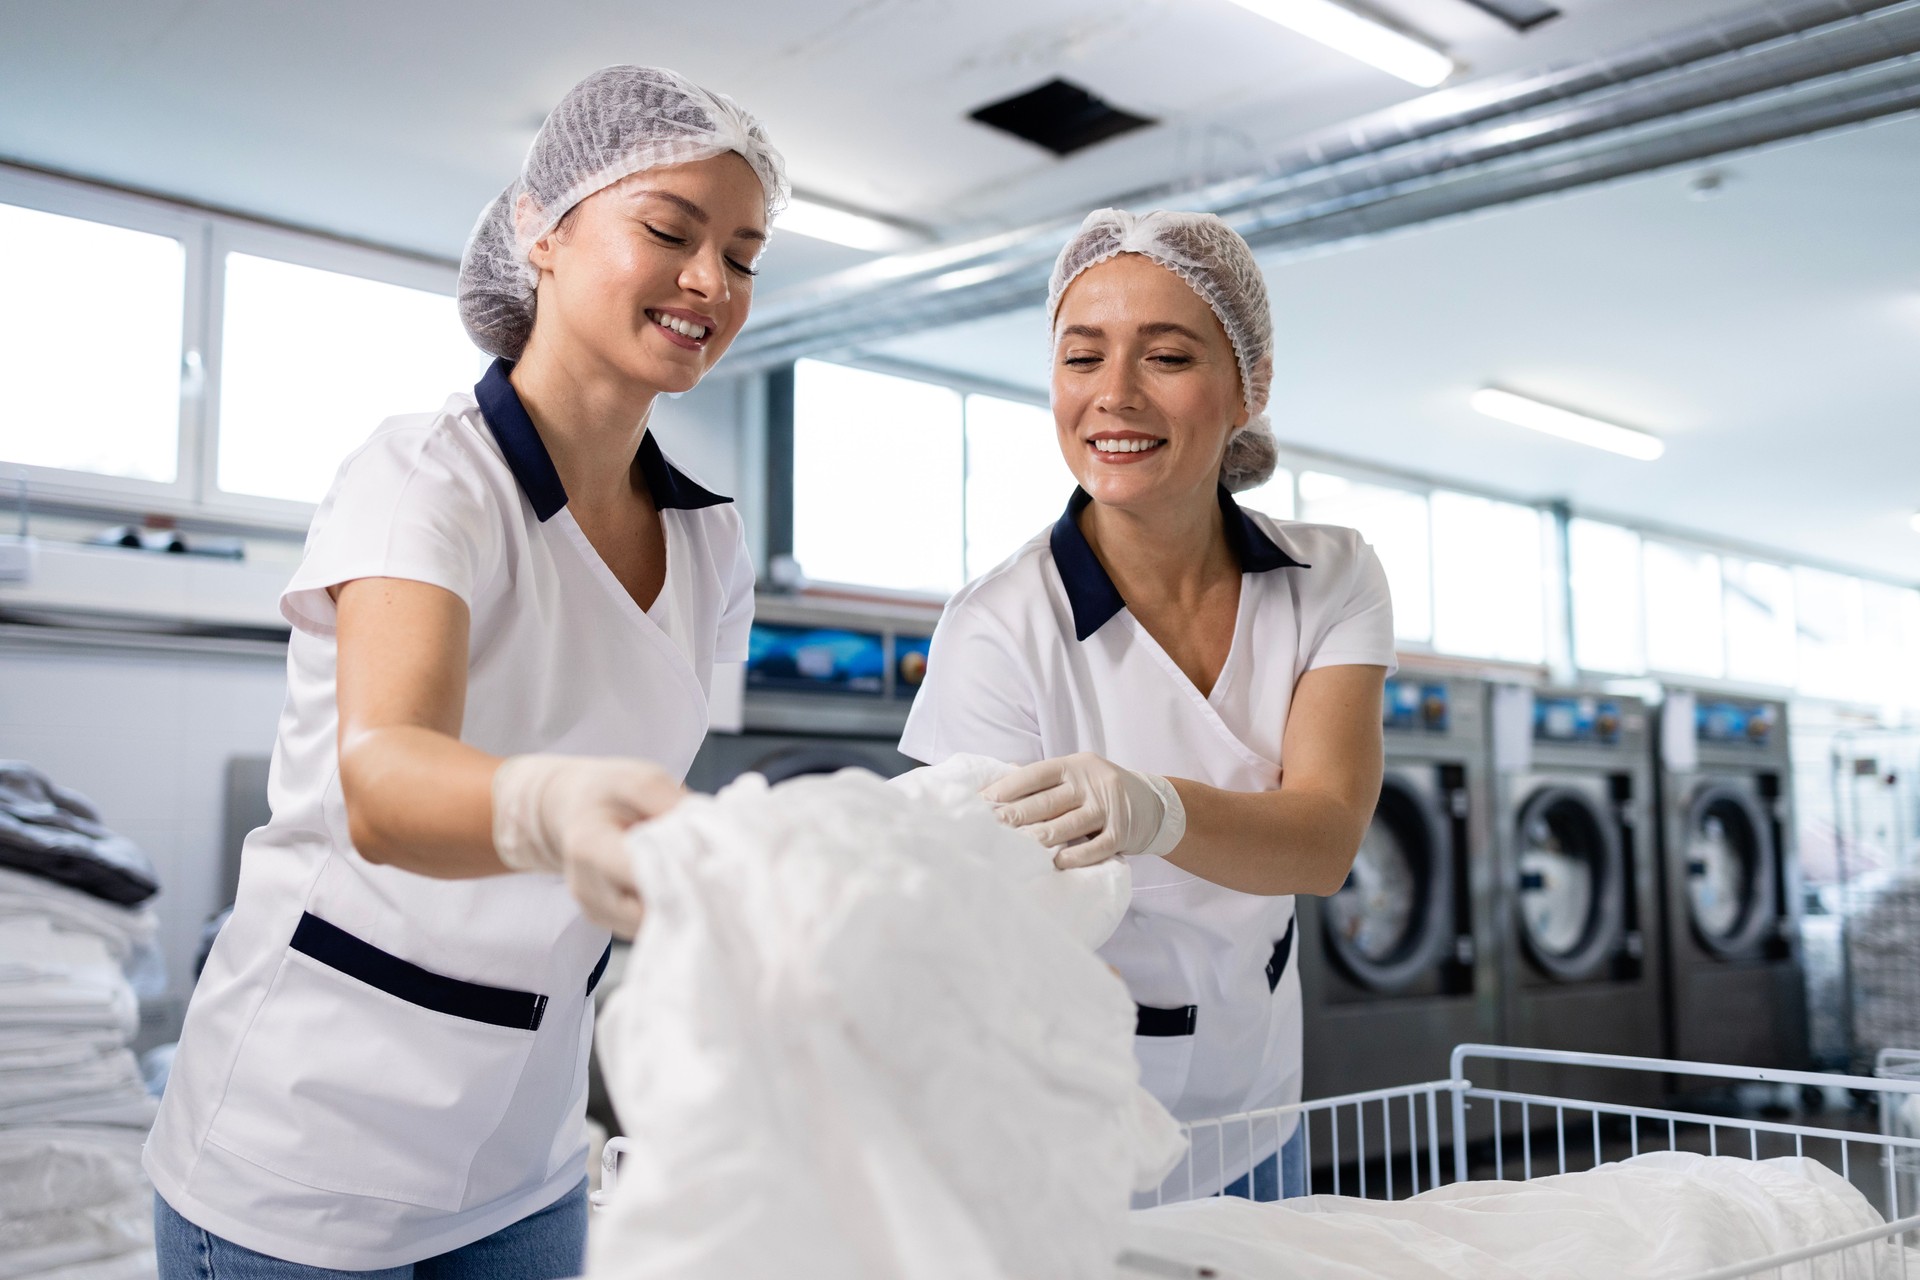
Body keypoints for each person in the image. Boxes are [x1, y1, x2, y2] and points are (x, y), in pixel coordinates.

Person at [144, 66, 785, 1277]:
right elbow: (385, 780)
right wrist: (551, 802)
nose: (711, 281)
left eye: (744, 256)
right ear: (543, 230)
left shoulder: (711, 541)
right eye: (670, 231)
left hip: (527, 1157)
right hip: (307, 1151)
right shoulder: (427, 476)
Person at [899, 208, 1393, 1201]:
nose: (1114, 395)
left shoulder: (1330, 578)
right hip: (1072, 1133)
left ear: (1249, 386)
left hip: (1261, 1111)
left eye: (1166, 356)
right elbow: (973, 910)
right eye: (1082, 357)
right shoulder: (1000, 627)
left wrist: (1152, 809)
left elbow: (1324, 839)